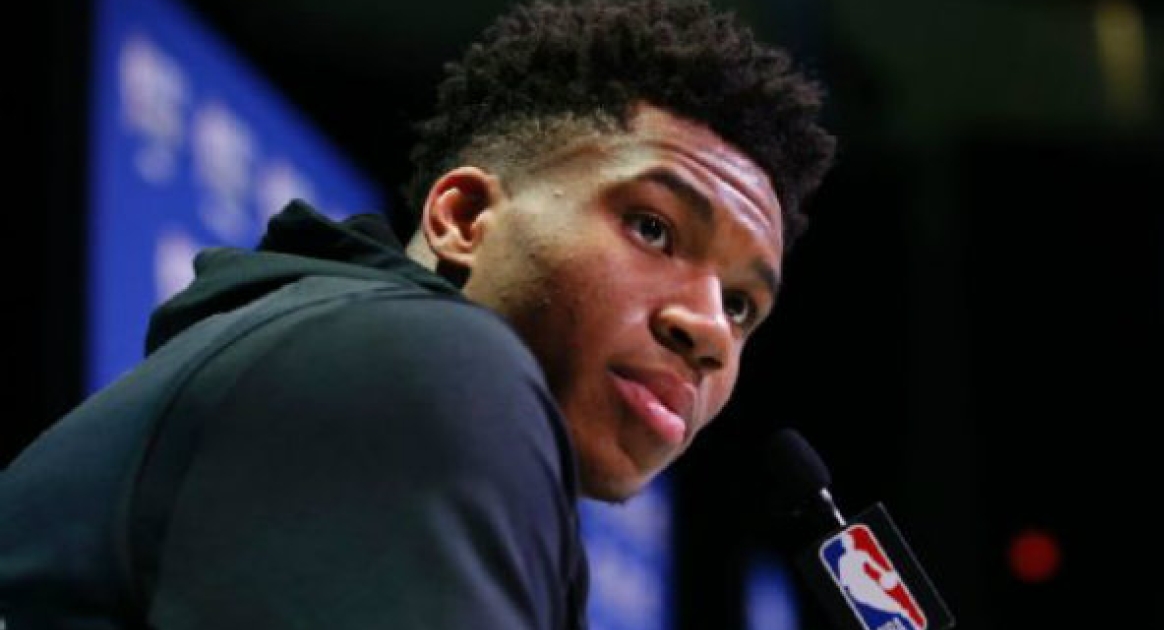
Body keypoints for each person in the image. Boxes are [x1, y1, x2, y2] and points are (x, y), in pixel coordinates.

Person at [0, 0, 835, 627]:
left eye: (741, 306)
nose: (708, 331)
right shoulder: (431, 363)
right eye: (652, 228)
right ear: (464, 218)